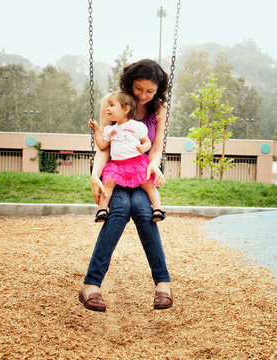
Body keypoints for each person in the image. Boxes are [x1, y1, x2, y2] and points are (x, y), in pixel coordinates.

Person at [79, 59, 172, 312]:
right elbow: (103, 147)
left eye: (149, 91)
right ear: (129, 83)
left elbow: (156, 148)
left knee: (144, 212)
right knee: (118, 212)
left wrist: (153, 166)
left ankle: (163, 284)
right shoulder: (113, 101)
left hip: (142, 172)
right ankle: (91, 285)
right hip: (114, 172)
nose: (143, 95)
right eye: (139, 88)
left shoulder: (159, 109)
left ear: (158, 90)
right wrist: (95, 176)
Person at [88, 90, 165, 223]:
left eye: (112, 105)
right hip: (117, 166)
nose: (108, 108)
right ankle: (102, 209)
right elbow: (102, 145)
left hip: (136, 162)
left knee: (148, 184)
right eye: (108, 105)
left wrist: (144, 147)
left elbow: (147, 141)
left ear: (126, 109)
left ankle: (158, 209)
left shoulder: (136, 126)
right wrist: (96, 130)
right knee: (108, 183)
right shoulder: (109, 130)